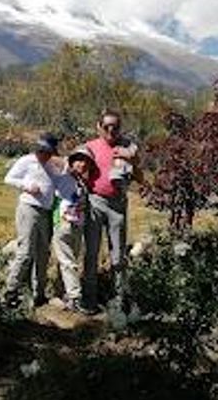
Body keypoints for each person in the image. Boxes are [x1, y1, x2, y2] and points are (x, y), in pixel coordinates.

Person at [82, 109, 138, 311]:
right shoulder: (89, 147)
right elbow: (73, 167)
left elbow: (139, 174)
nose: (111, 131)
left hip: (118, 204)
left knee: (118, 254)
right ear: (99, 127)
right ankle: (89, 299)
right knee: (91, 252)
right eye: (106, 126)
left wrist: (132, 158)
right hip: (95, 202)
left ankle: (118, 300)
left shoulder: (128, 147)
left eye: (115, 127)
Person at [2, 132, 61, 307]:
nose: (43, 154)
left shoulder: (52, 165)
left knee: (43, 253)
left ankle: (38, 293)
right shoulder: (27, 161)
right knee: (26, 251)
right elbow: (8, 178)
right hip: (29, 208)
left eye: (47, 151)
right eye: (40, 150)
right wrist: (26, 186)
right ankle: (10, 290)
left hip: (47, 212)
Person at [51, 145, 97, 312]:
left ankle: (63, 293)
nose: (82, 164)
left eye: (86, 162)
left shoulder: (81, 182)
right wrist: (68, 163)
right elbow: (54, 160)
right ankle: (75, 297)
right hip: (63, 223)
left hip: (77, 226)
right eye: (78, 161)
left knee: (70, 262)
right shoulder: (63, 176)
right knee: (67, 262)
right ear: (71, 162)